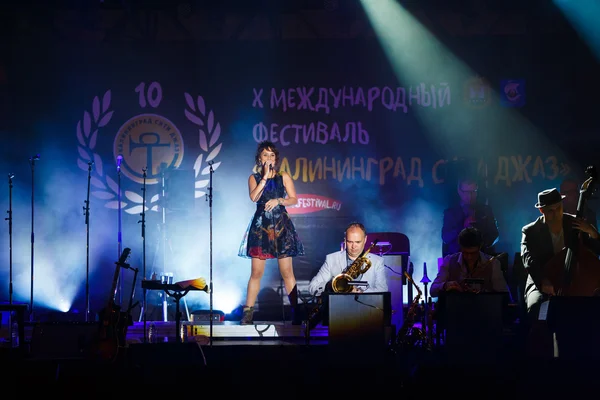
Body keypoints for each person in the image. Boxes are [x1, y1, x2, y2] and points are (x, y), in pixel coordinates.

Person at [521, 187, 600, 358]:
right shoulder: (530, 230)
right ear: (541, 210)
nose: (556, 213)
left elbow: (596, 251)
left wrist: (593, 232)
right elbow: (529, 260)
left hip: (573, 279)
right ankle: (541, 357)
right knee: (538, 307)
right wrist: (543, 281)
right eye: (550, 211)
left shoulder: (576, 224)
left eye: (559, 208)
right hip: (542, 280)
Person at [238, 140, 305, 325]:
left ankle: (296, 312)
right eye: (265, 155)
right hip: (261, 228)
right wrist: (265, 178)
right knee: (256, 272)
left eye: (272, 155)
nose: (269, 158)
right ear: (259, 158)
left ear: (276, 159)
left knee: (287, 271)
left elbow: (293, 200)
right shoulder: (254, 177)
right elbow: (254, 197)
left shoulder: (284, 177)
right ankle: (248, 312)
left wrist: (279, 200)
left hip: (281, 227)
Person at [306, 222, 388, 328]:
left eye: (358, 242)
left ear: (365, 239)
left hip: (367, 316)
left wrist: (359, 291)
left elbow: (383, 290)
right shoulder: (331, 259)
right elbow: (312, 287)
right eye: (350, 242)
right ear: (345, 240)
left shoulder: (377, 261)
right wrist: (330, 286)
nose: (353, 246)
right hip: (339, 316)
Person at [431, 226, 509, 297]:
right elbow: (432, 290)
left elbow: (503, 294)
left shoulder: (493, 263)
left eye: (473, 253)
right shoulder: (449, 261)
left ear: (480, 247)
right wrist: (446, 285)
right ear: (460, 247)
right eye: (465, 252)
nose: (469, 257)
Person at [442, 177, 499, 257]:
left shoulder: (486, 210)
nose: (470, 196)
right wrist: (462, 227)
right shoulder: (451, 213)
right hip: (457, 260)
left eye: (473, 191)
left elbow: (495, 235)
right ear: (459, 191)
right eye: (466, 192)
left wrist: (480, 242)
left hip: (482, 259)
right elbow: (445, 238)